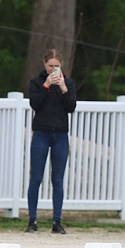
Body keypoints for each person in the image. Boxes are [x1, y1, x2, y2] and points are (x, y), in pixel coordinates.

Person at [26, 49, 77, 234]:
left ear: (61, 66)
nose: (53, 70)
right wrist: (46, 85)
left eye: (57, 66)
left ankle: (57, 221)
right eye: (50, 66)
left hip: (60, 135)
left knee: (58, 179)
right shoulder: (36, 82)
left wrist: (63, 89)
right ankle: (32, 220)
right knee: (36, 178)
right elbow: (35, 104)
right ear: (44, 65)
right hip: (41, 133)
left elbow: (71, 106)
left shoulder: (68, 83)